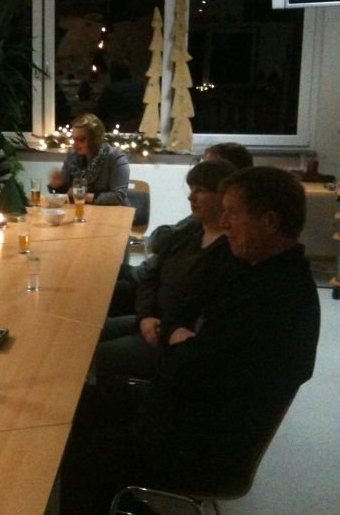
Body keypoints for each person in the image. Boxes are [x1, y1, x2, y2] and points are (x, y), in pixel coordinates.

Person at [60, 166, 320, 513]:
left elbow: (185, 367)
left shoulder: (279, 299)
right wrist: (178, 336)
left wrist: (178, 341)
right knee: (76, 401)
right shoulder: (248, 264)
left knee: (76, 450)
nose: (224, 222)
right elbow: (179, 312)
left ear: (270, 222)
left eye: (233, 213)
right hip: (180, 411)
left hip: (202, 444)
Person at [95, 159, 237, 381]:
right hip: (151, 319)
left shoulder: (231, 249)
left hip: (171, 339)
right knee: (84, 334)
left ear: (224, 197)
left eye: (200, 191)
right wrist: (145, 315)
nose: (191, 197)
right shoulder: (189, 232)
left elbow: (198, 306)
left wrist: (160, 325)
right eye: (191, 190)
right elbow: (151, 278)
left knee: (93, 356)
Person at [49, 112, 130, 205]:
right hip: (82, 210)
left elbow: (118, 197)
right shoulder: (72, 156)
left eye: (81, 140)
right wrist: (58, 186)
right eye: (74, 139)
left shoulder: (115, 157)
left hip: (115, 211)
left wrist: (81, 195)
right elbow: (67, 193)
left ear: (95, 139)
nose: (75, 145)